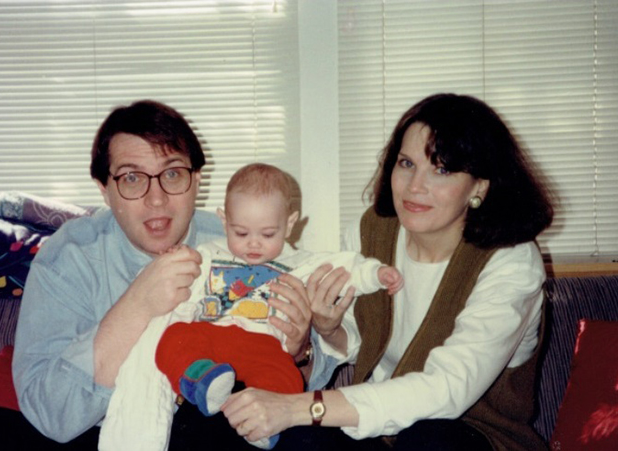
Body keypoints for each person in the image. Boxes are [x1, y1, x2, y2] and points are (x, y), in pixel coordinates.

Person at [0, 100, 314, 450]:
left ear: (197, 179)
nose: (156, 198)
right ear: (104, 189)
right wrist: (137, 305)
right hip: (98, 430)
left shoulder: (242, 240)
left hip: (211, 424)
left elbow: (299, 381)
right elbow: (50, 414)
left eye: (172, 173)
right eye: (132, 178)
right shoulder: (69, 256)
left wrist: (303, 348)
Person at [219, 93, 554, 451]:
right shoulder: (371, 232)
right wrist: (330, 329)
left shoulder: (511, 260)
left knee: (429, 439)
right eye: (406, 163)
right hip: (381, 434)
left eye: (440, 169)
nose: (415, 186)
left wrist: (301, 407)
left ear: (480, 186)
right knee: (298, 440)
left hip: (477, 436)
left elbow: (448, 388)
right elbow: (361, 340)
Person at [99, 163, 403, 451]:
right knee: (171, 339)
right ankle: (202, 380)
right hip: (210, 338)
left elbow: (346, 266)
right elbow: (156, 281)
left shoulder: (301, 262)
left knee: (285, 376)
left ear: (290, 224)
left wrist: (376, 274)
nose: (253, 244)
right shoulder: (207, 253)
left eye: (267, 234)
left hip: (262, 345)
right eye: (241, 233)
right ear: (223, 221)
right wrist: (173, 257)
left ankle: (263, 429)